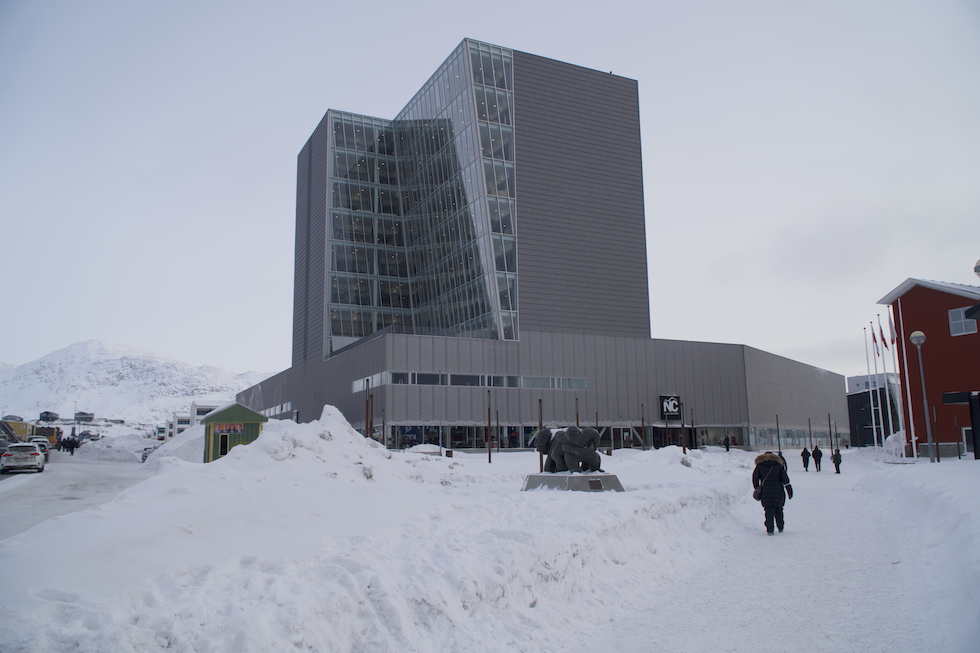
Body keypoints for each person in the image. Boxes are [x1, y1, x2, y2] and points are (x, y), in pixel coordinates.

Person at [752, 451, 793, 535]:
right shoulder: (779, 466)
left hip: (765, 491)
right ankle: (780, 527)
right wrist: (789, 491)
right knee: (779, 509)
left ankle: (770, 529)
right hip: (778, 491)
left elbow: (755, 479)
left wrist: (757, 488)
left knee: (768, 509)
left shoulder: (759, 466)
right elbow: (785, 480)